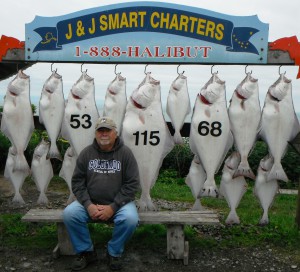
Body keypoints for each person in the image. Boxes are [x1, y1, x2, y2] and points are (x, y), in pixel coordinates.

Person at [63, 116, 140, 271]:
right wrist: (88, 205)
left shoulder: (126, 154)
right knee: (70, 214)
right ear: (95, 134)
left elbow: (132, 184)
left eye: (108, 130)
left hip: (119, 204)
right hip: (90, 202)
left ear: (115, 133)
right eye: (100, 131)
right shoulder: (86, 153)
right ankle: (86, 252)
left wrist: (113, 207)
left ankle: (113, 252)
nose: (104, 134)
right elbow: (77, 182)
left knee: (131, 219)